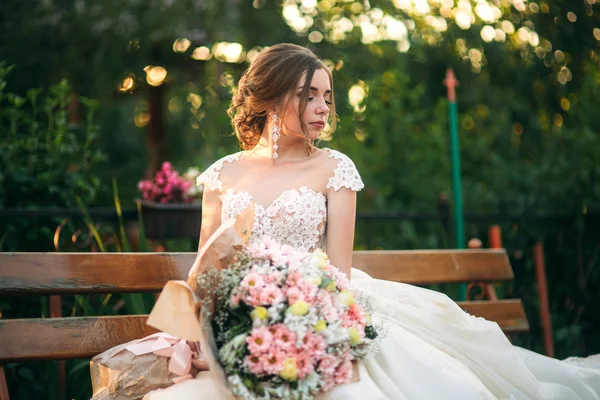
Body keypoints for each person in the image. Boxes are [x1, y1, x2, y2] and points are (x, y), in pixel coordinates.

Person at [131, 43, 600, 399]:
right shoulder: (222, 173)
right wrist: (211, 330)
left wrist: (295, 325)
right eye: (308, 95)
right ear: (272, 96)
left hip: (319, 310)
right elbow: (206, 270)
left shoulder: (334, 169)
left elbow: (338, 273)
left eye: (327, 97)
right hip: (240, 321)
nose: (323, 107)